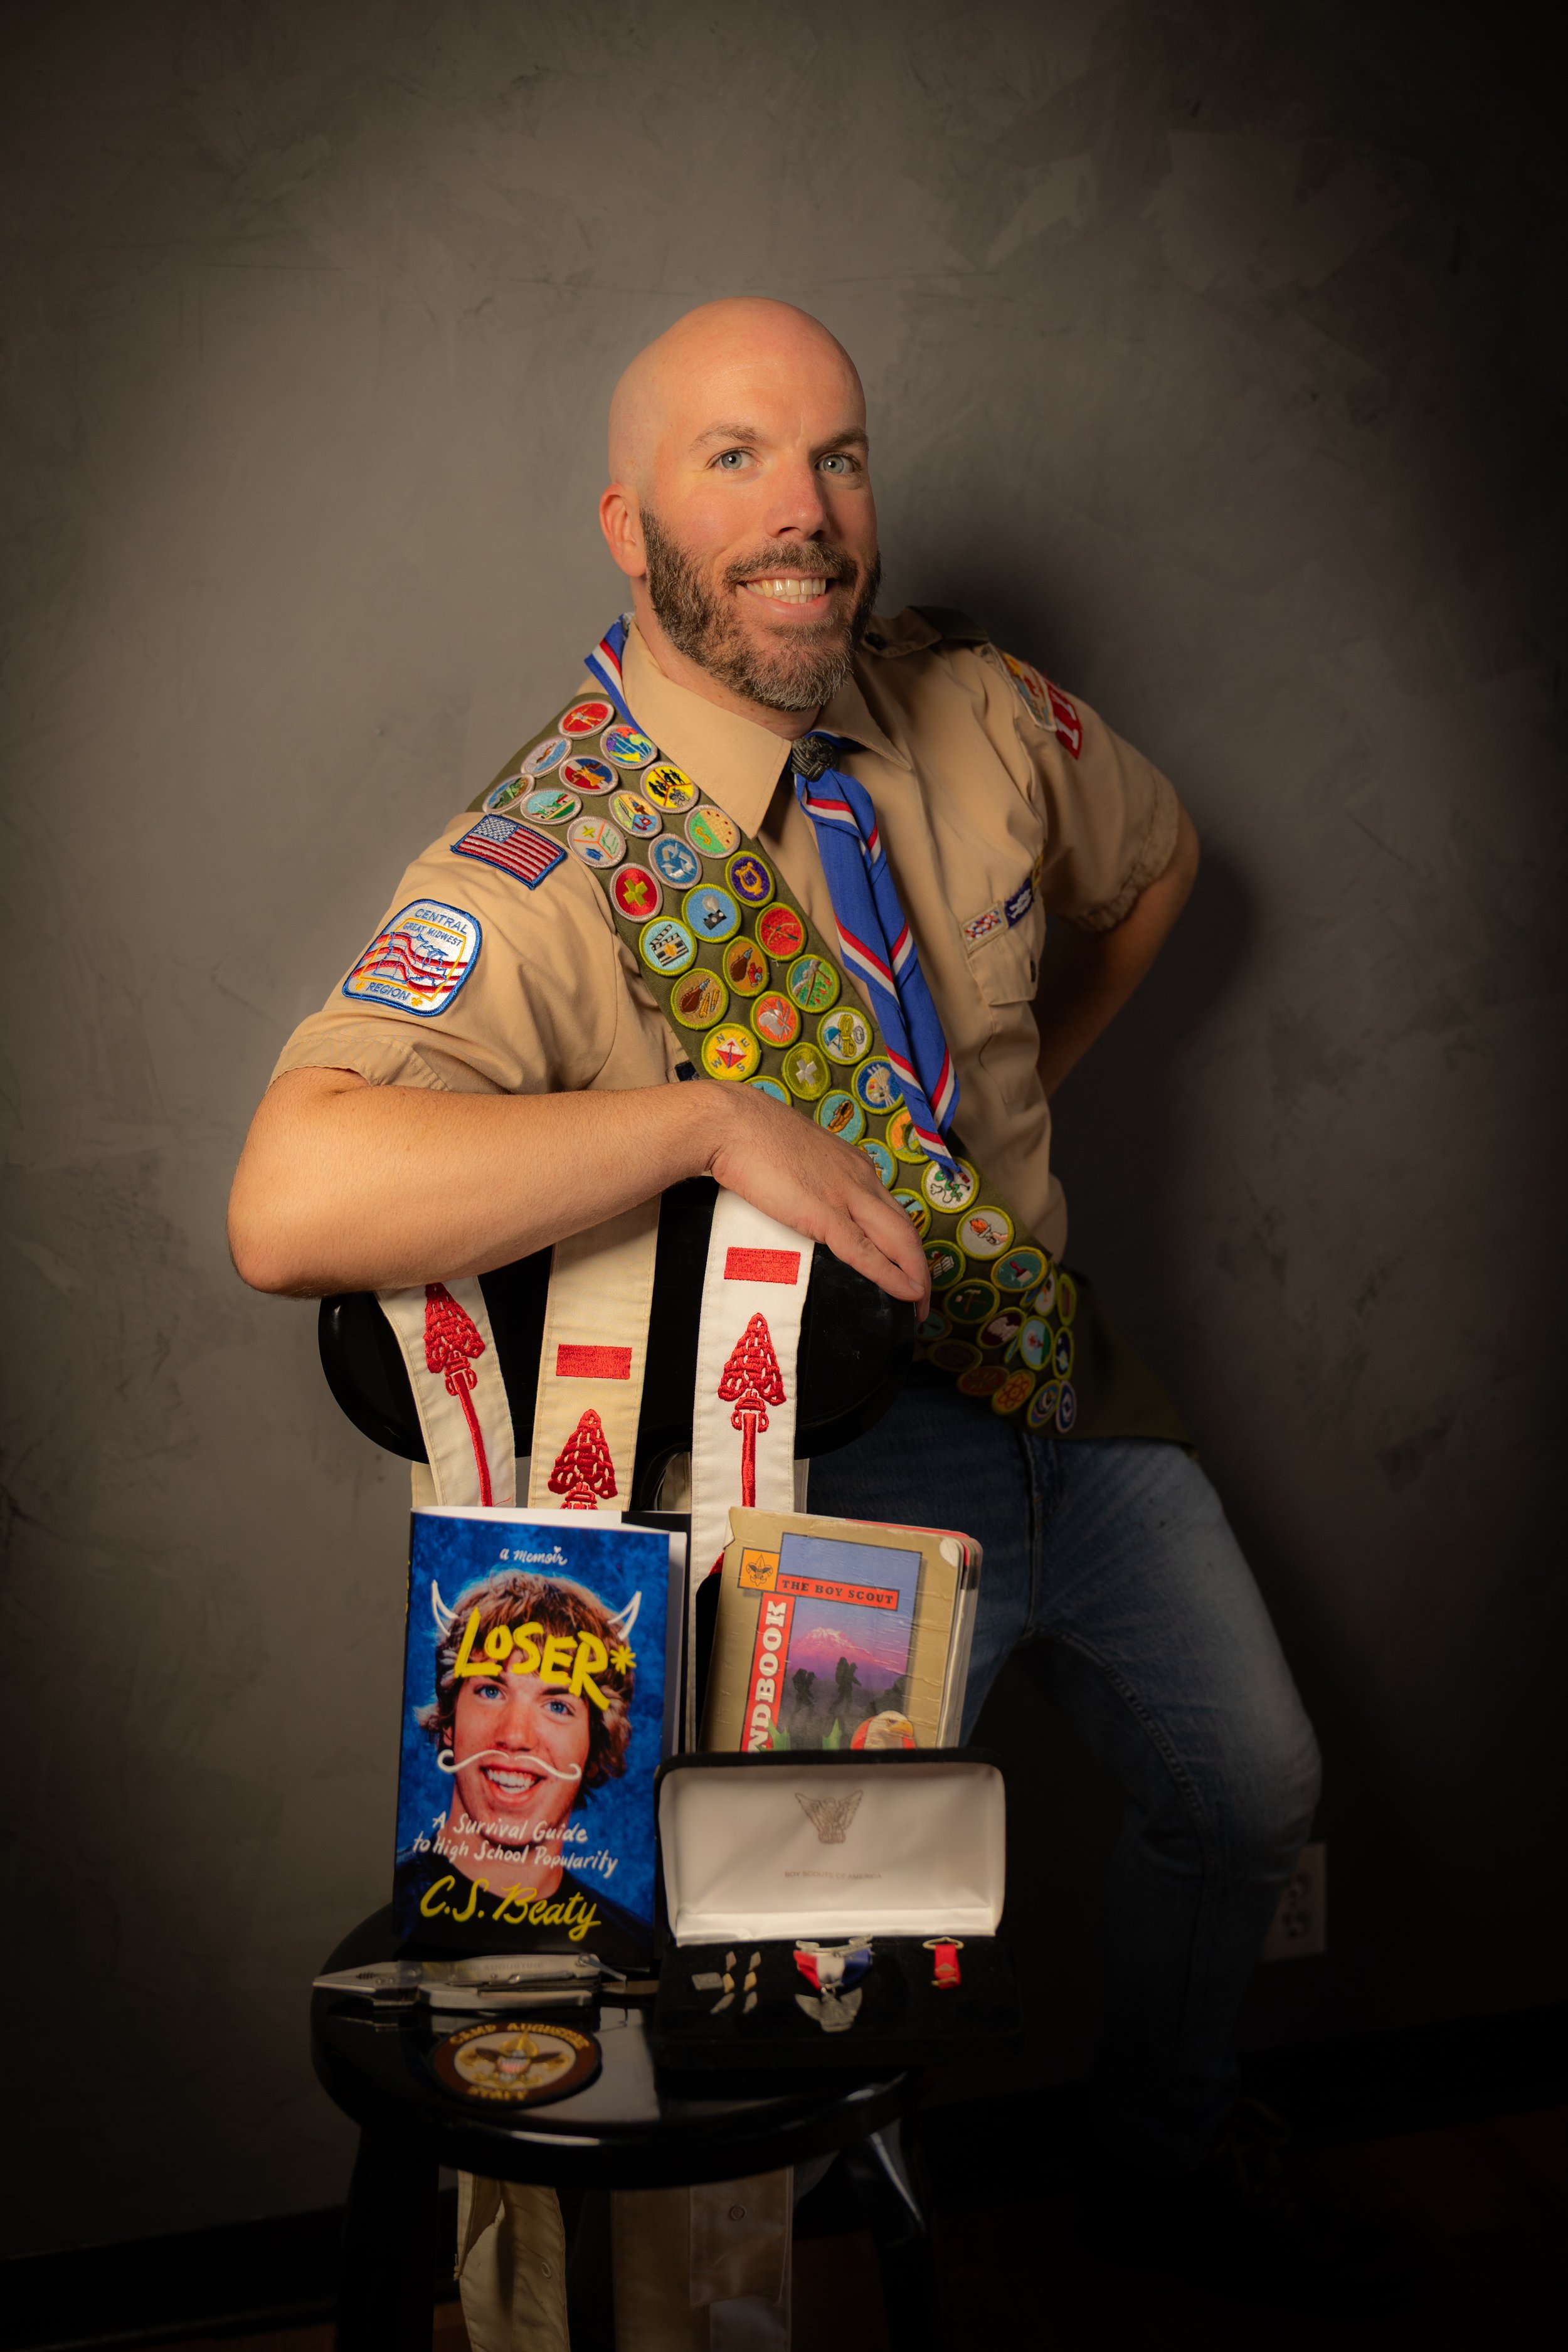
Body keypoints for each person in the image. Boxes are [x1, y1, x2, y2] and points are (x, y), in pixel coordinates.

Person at [230, 297, 1409, 2322]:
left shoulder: (971, 709)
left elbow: (1160, 863)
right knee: (802, 1985)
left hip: (1070, 1395)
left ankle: (1157, 2164)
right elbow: (290, 1199)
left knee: (1254, 1787)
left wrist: (988, 1155)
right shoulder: (558, 861)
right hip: (825, 1484)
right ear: (628, 520)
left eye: (839, 455)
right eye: (736, 460)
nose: (807, 512)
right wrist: (706, 1124)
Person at [396, 1568, 649, 1957]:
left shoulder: (630, 1952)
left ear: (594, 1749)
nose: (515, 1737)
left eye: (557, 1706)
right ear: (449, 1720)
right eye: (491, 1691)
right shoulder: (383, 1917)